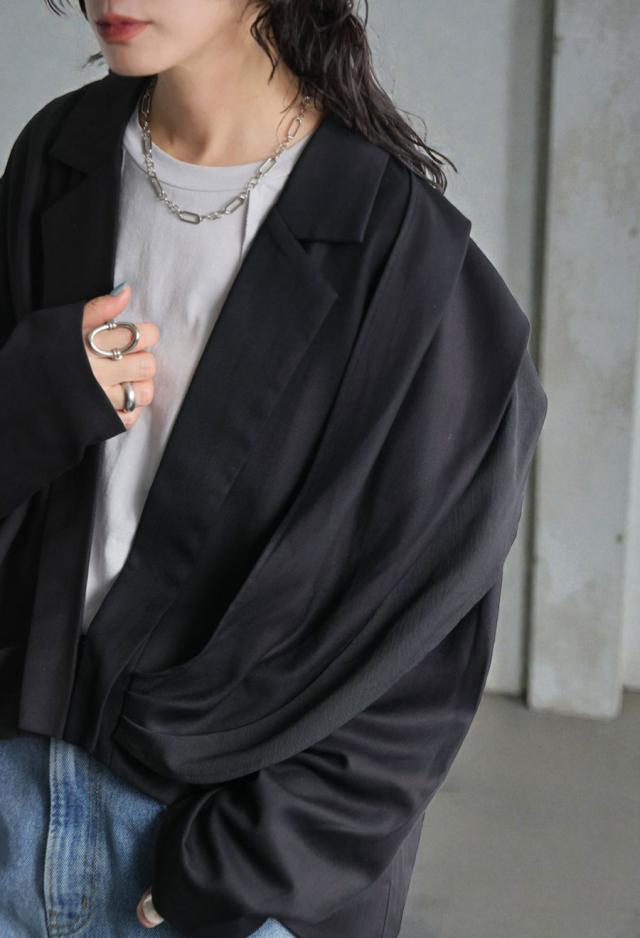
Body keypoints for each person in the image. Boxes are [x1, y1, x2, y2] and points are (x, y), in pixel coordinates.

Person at [0, 1, 548, 936]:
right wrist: (37, 394)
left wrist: (237, 872)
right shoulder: (60, 155)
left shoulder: (407, 259)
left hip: (207, 858)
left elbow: (423, 646)